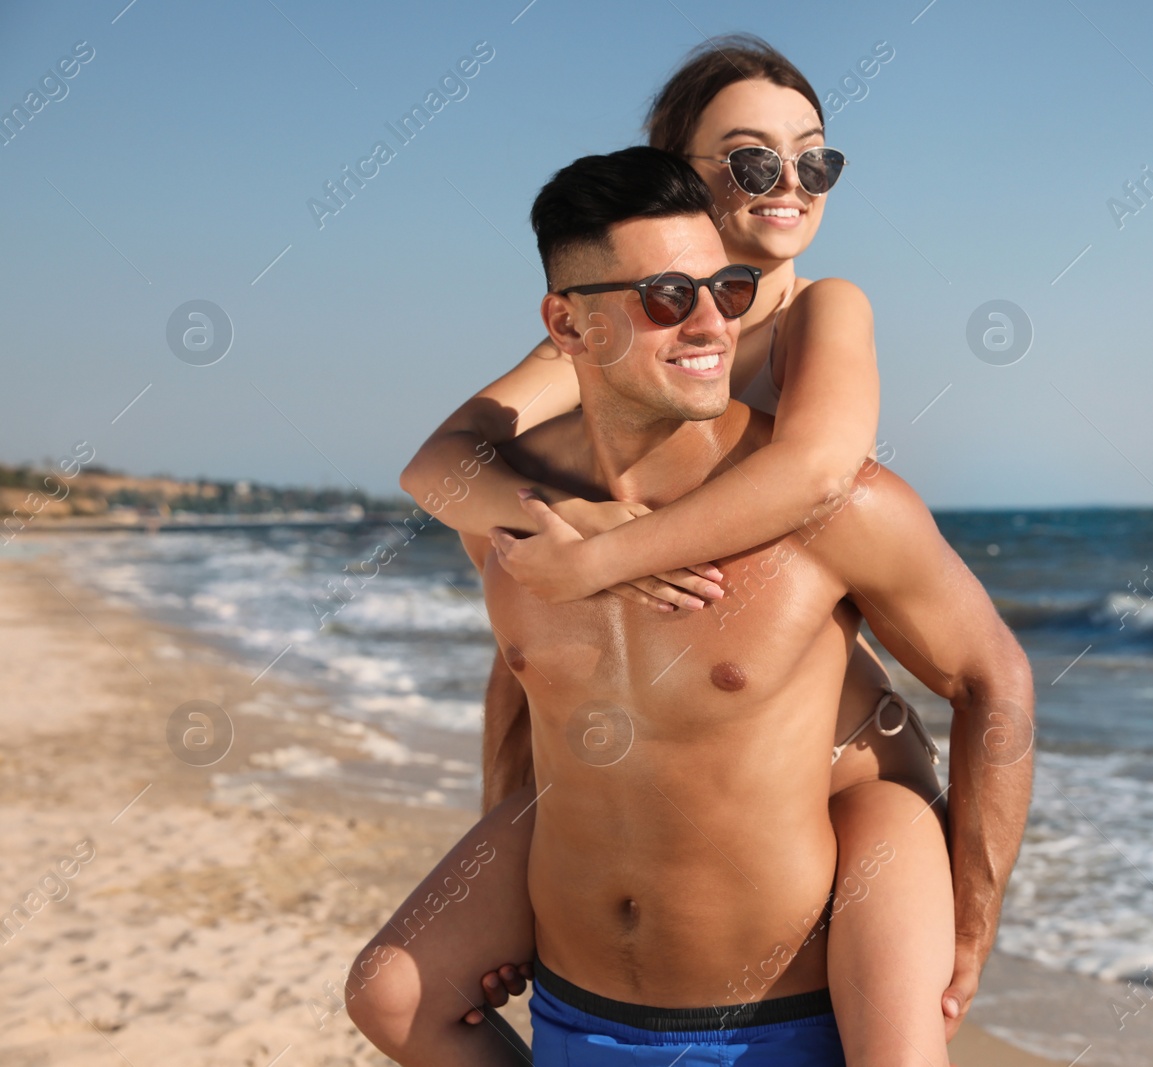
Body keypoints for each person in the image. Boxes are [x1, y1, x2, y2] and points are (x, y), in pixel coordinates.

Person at [395, 34, 1017, 1054]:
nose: (790, 185)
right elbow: (441, 462)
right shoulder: (630, 322)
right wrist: (557, 519)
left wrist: (606, 555)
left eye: (814, 159)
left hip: (844, 767)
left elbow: (815, 469)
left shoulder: (820, 310)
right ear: (678, 174)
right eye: (752, 160)